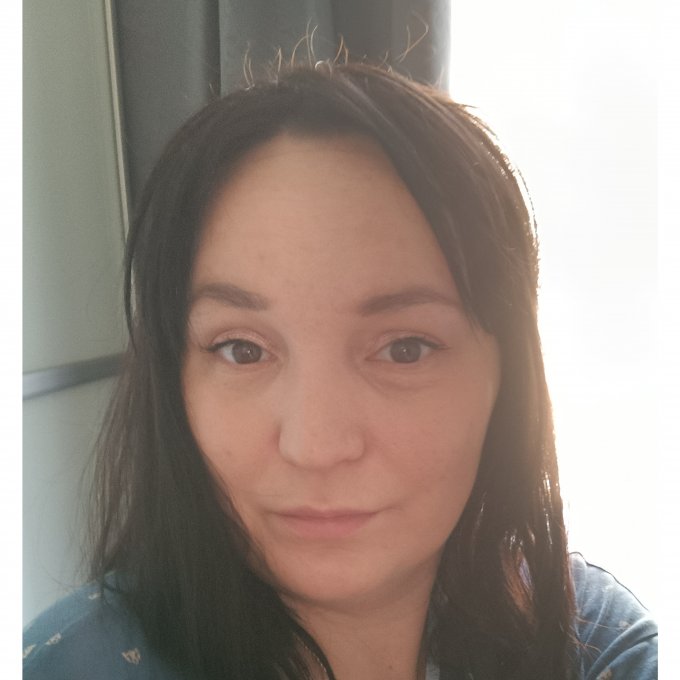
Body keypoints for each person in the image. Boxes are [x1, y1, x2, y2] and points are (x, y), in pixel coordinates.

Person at [23, 61, 657, 680]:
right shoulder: (67, 665)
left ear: (507, 378)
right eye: (242, 349)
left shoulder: (594, 643)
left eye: (405, 348)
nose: (315, 447)